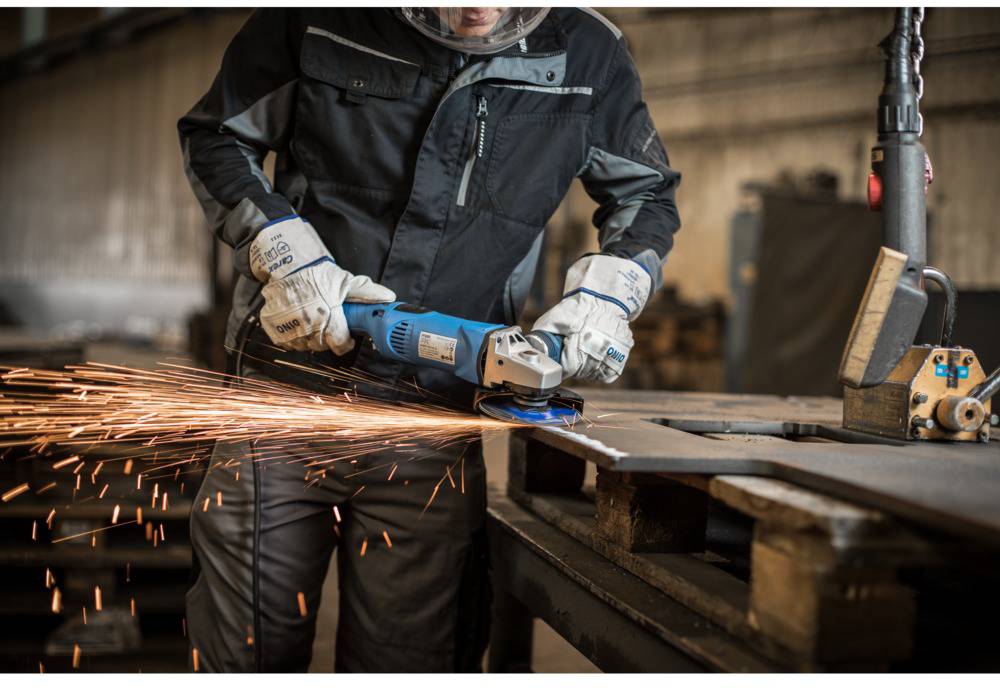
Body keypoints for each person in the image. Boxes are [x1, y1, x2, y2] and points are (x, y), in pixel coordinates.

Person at [178, 7, 680, 672]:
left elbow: (647, 196)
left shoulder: (587, 54)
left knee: (411, 661)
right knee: (241, 656)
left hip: (435, 416)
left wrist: (608, 296)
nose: (477, 11)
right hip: (287, 390)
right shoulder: (314, 19)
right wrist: (281, 247)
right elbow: (217, 138)